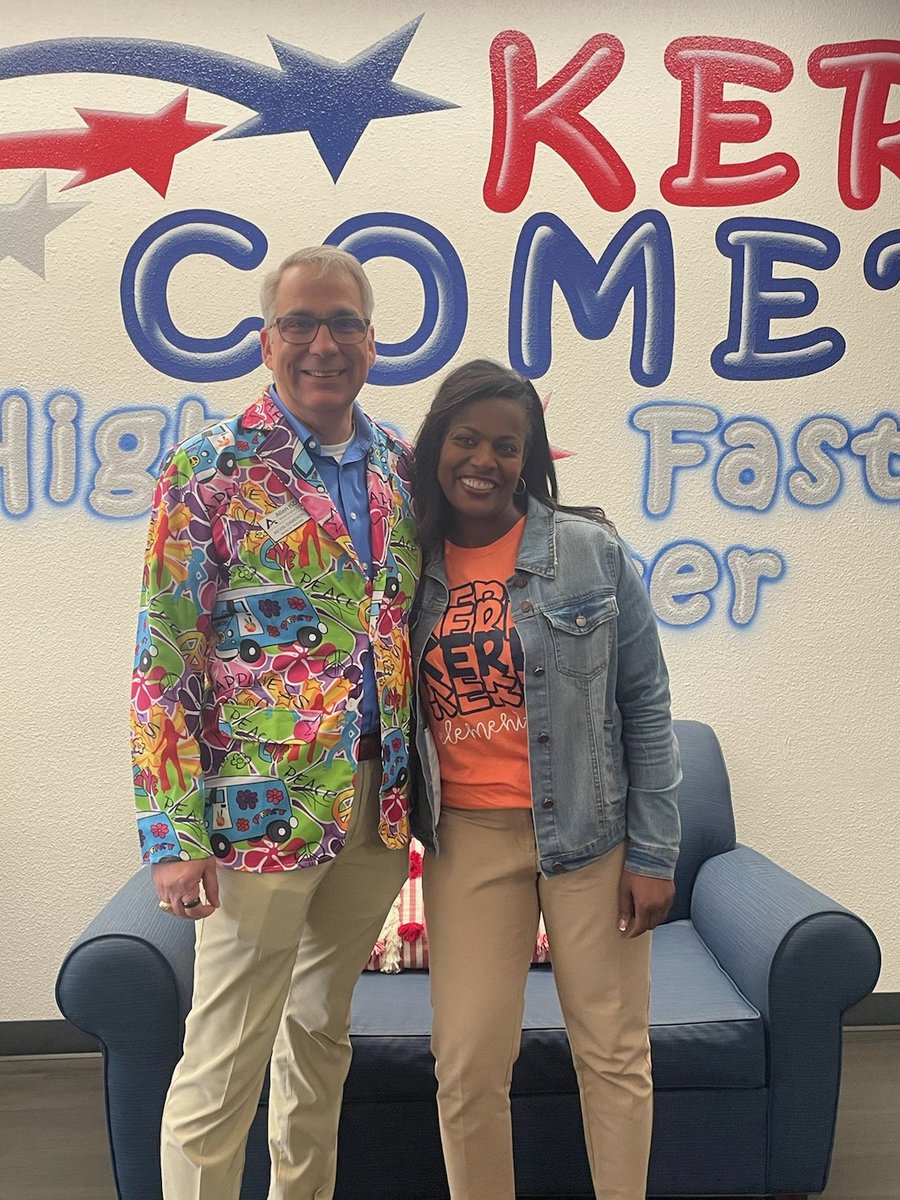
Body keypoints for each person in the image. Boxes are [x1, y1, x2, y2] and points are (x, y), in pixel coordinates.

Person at [130, 245, 419, 1199]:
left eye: (343, 323)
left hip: (377, 808)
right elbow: (162, 658)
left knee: (320, 1038)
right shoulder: (207, 470)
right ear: (266, 341)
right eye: (300, 323)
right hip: (257, 812)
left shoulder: (399, 467)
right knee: (223, 1063)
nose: (322, 343)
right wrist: (173, 835)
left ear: (373, 343)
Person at [409, 359, 681, 1200]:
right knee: (466, 1063)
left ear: (528, 457)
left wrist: (655, 853)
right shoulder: (404, 563)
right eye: (466, 439)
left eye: (505, 445)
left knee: (612, 1050)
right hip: (468, 843)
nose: (483, 460)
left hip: (591, 838)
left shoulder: (586, 553)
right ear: (437, 446)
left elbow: (646, 703)